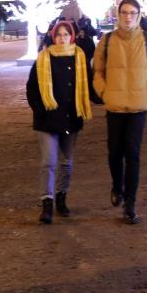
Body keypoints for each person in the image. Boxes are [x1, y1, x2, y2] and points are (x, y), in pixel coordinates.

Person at [92, 0, 147, 224]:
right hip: (114, 106)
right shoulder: (106, 41)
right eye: (124, 12)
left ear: (138, 15)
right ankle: (118, 185)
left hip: (138, 107)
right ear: (118, 14)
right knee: (114, 152)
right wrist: (105, 92)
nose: (128, 17)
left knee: (132, 154)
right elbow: (98, 72)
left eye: (132, 13)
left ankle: (130, 203)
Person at [26, 20, 92, 224]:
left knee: (66, 162)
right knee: (49, 162)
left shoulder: (80, 57)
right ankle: (47, 202)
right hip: (47, 120)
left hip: (71, 118)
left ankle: (61, 197)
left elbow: (89, 86)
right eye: (58, 35)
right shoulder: (43, 59)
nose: (62, 38)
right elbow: (32, 89)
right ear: (53, 37)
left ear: (71, 36)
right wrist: (41, 110)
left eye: (66, 34)